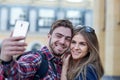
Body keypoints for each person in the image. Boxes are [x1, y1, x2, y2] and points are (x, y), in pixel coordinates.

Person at [0, 19, 74, 80]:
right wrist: (7, 59)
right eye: (58, 36)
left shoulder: (63, 64)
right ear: (49, 36)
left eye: (68, 39)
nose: (62, 42)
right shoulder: (36, 57)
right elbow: (17, 74)